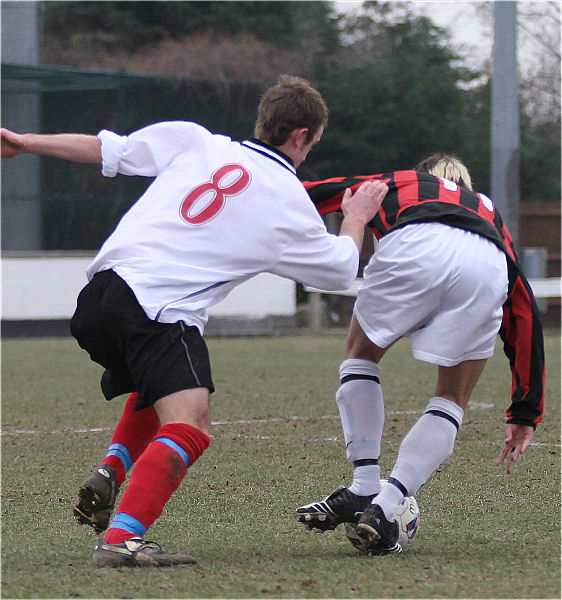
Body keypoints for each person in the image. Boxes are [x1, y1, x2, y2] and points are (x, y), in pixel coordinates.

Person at [1, 74, 389, 567]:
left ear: (262, 120)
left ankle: (113, 469)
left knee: (160, 385)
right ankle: (122, 540)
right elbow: (339, 270)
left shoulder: (194, 140)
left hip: (100, 295)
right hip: (159, 309)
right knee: (191, 424)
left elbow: (106, 151)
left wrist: (25, 142)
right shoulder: (288, 201)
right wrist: (355, 215)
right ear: (301, 138)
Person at [296, 154, 545, 555]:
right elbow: (523, 308)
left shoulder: (404, 182)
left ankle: (363, 486)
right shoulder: (488, 209)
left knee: (360, 356)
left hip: (414, 245)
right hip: (484, 263)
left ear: (424, 175)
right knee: (451, 398)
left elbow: (312, 194)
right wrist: (525, 411)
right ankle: (387, 504)